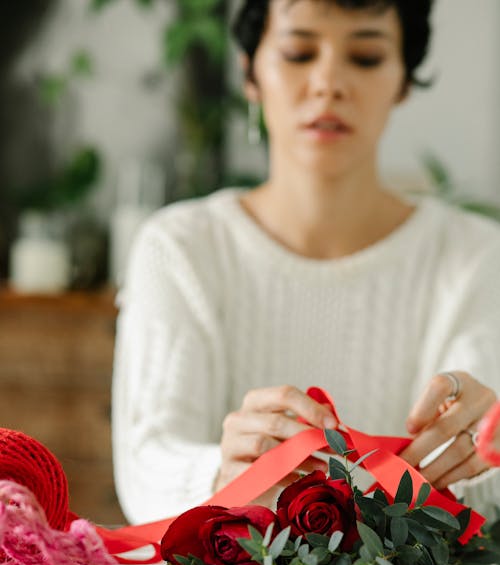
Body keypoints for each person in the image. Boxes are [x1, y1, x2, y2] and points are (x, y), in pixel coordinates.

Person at [112, 0, 500, 526]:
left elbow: (481, 501)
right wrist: (219, 472)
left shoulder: (478, 256)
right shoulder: (180, 248)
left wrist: (487, 455)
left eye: (364, 57)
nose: (327, 83)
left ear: (403, 80)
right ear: (250, 73)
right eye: (298, 52)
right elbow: (147, 467)